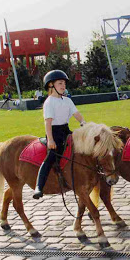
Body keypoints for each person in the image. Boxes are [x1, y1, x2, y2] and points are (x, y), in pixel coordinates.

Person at [33, 70, 86, 199]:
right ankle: (38, 186)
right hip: (54, 134)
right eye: (60, 83)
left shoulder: (67, 101)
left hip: (66, 131)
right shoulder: (49, 102)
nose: (63, 86)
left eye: (64, 84)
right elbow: (48, 123)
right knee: (50, 158)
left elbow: (77, 114)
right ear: (51, 85)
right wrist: (50, 140)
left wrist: (84, 123)